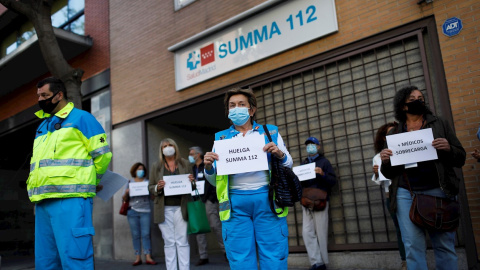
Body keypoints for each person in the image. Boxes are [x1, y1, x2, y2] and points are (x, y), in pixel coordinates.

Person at [203, 87, 293, 270]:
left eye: (241, 104)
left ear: (252, 110)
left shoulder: (270, 133)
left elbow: (288, 164)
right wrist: (208, 167)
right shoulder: (221, 139)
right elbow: (215, 181)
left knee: (274, 255)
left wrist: (279, 153)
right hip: (235, 205)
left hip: (268, 200)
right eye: (232, 106)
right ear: (228, 112)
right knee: (240, 259)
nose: (236, 109)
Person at [28, 77, 112, 269]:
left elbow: (103, 156)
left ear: (59, 95)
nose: (40, 99)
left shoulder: (82, 118)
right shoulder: (42, 126)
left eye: (45, 95)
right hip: (42, 202)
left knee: (75, 261)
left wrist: (93, 180)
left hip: (71, 199)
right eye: (38, 95)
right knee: (45, 262)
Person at [380, 86, 466, 270]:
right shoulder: (394, 134)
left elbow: (461, 157)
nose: (418, 101)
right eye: (413, 98)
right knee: (412, 246)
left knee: (444, 245)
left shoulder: (440, 124)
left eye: (421, 97)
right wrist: (385, 161)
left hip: (439, 191)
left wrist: (449, 148)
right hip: (406, 194)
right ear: (403, 106)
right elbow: (388, 174)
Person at [148, 138, 192, 270]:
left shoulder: (185, 163)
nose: (168, 147)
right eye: (164, 146)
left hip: (181, 206)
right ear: (161, 150)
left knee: (182, 240)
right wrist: (158, 187)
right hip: (163, 207)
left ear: (175, 147)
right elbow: (150, 187)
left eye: (170, 145)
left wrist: (192, 181)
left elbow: (193, 186)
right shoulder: (157, 166)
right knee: (169, 242)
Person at [372, 123, 407, 270]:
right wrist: (376, 173)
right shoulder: (378, 157)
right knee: (400, 229)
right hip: (391, 195)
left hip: (410, 191)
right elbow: (382, 180)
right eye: (388, 133)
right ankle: (405, 261)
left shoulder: (407, 149)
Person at [301, 137, 336, 270]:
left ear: (318, 147)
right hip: (306, 200)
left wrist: (323, 174)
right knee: (307, 232)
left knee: (321, 232)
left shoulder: (324, 162)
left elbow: (333, 181)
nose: (310, 146)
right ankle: (316, 261)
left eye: (312, 144)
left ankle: (322, 262)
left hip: (320, 200)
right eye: (308, 144)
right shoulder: (304, 163)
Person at [188, 146, 226, 266]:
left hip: (209, 200)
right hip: (197, 200)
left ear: (198, 154)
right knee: (200, 228)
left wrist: (212, 198)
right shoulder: (193, 168)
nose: (190, 156)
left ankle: (226, 252)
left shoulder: (207, 166)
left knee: (216, 226)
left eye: (191, 154)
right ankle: (203, 256)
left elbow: (214, 182)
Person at [123, 162, 157, 266]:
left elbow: (153, 198)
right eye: (138, 169)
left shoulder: (147, 182)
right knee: (135, 235)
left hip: (145, 211)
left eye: (142, 169)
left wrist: (151, 192)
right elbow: (124, 199)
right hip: (132, 211)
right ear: (134, 171)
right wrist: (127, 192)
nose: (140, 171)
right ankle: (137, 257)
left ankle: (148, 256)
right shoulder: (129, 182)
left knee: (146, 234)